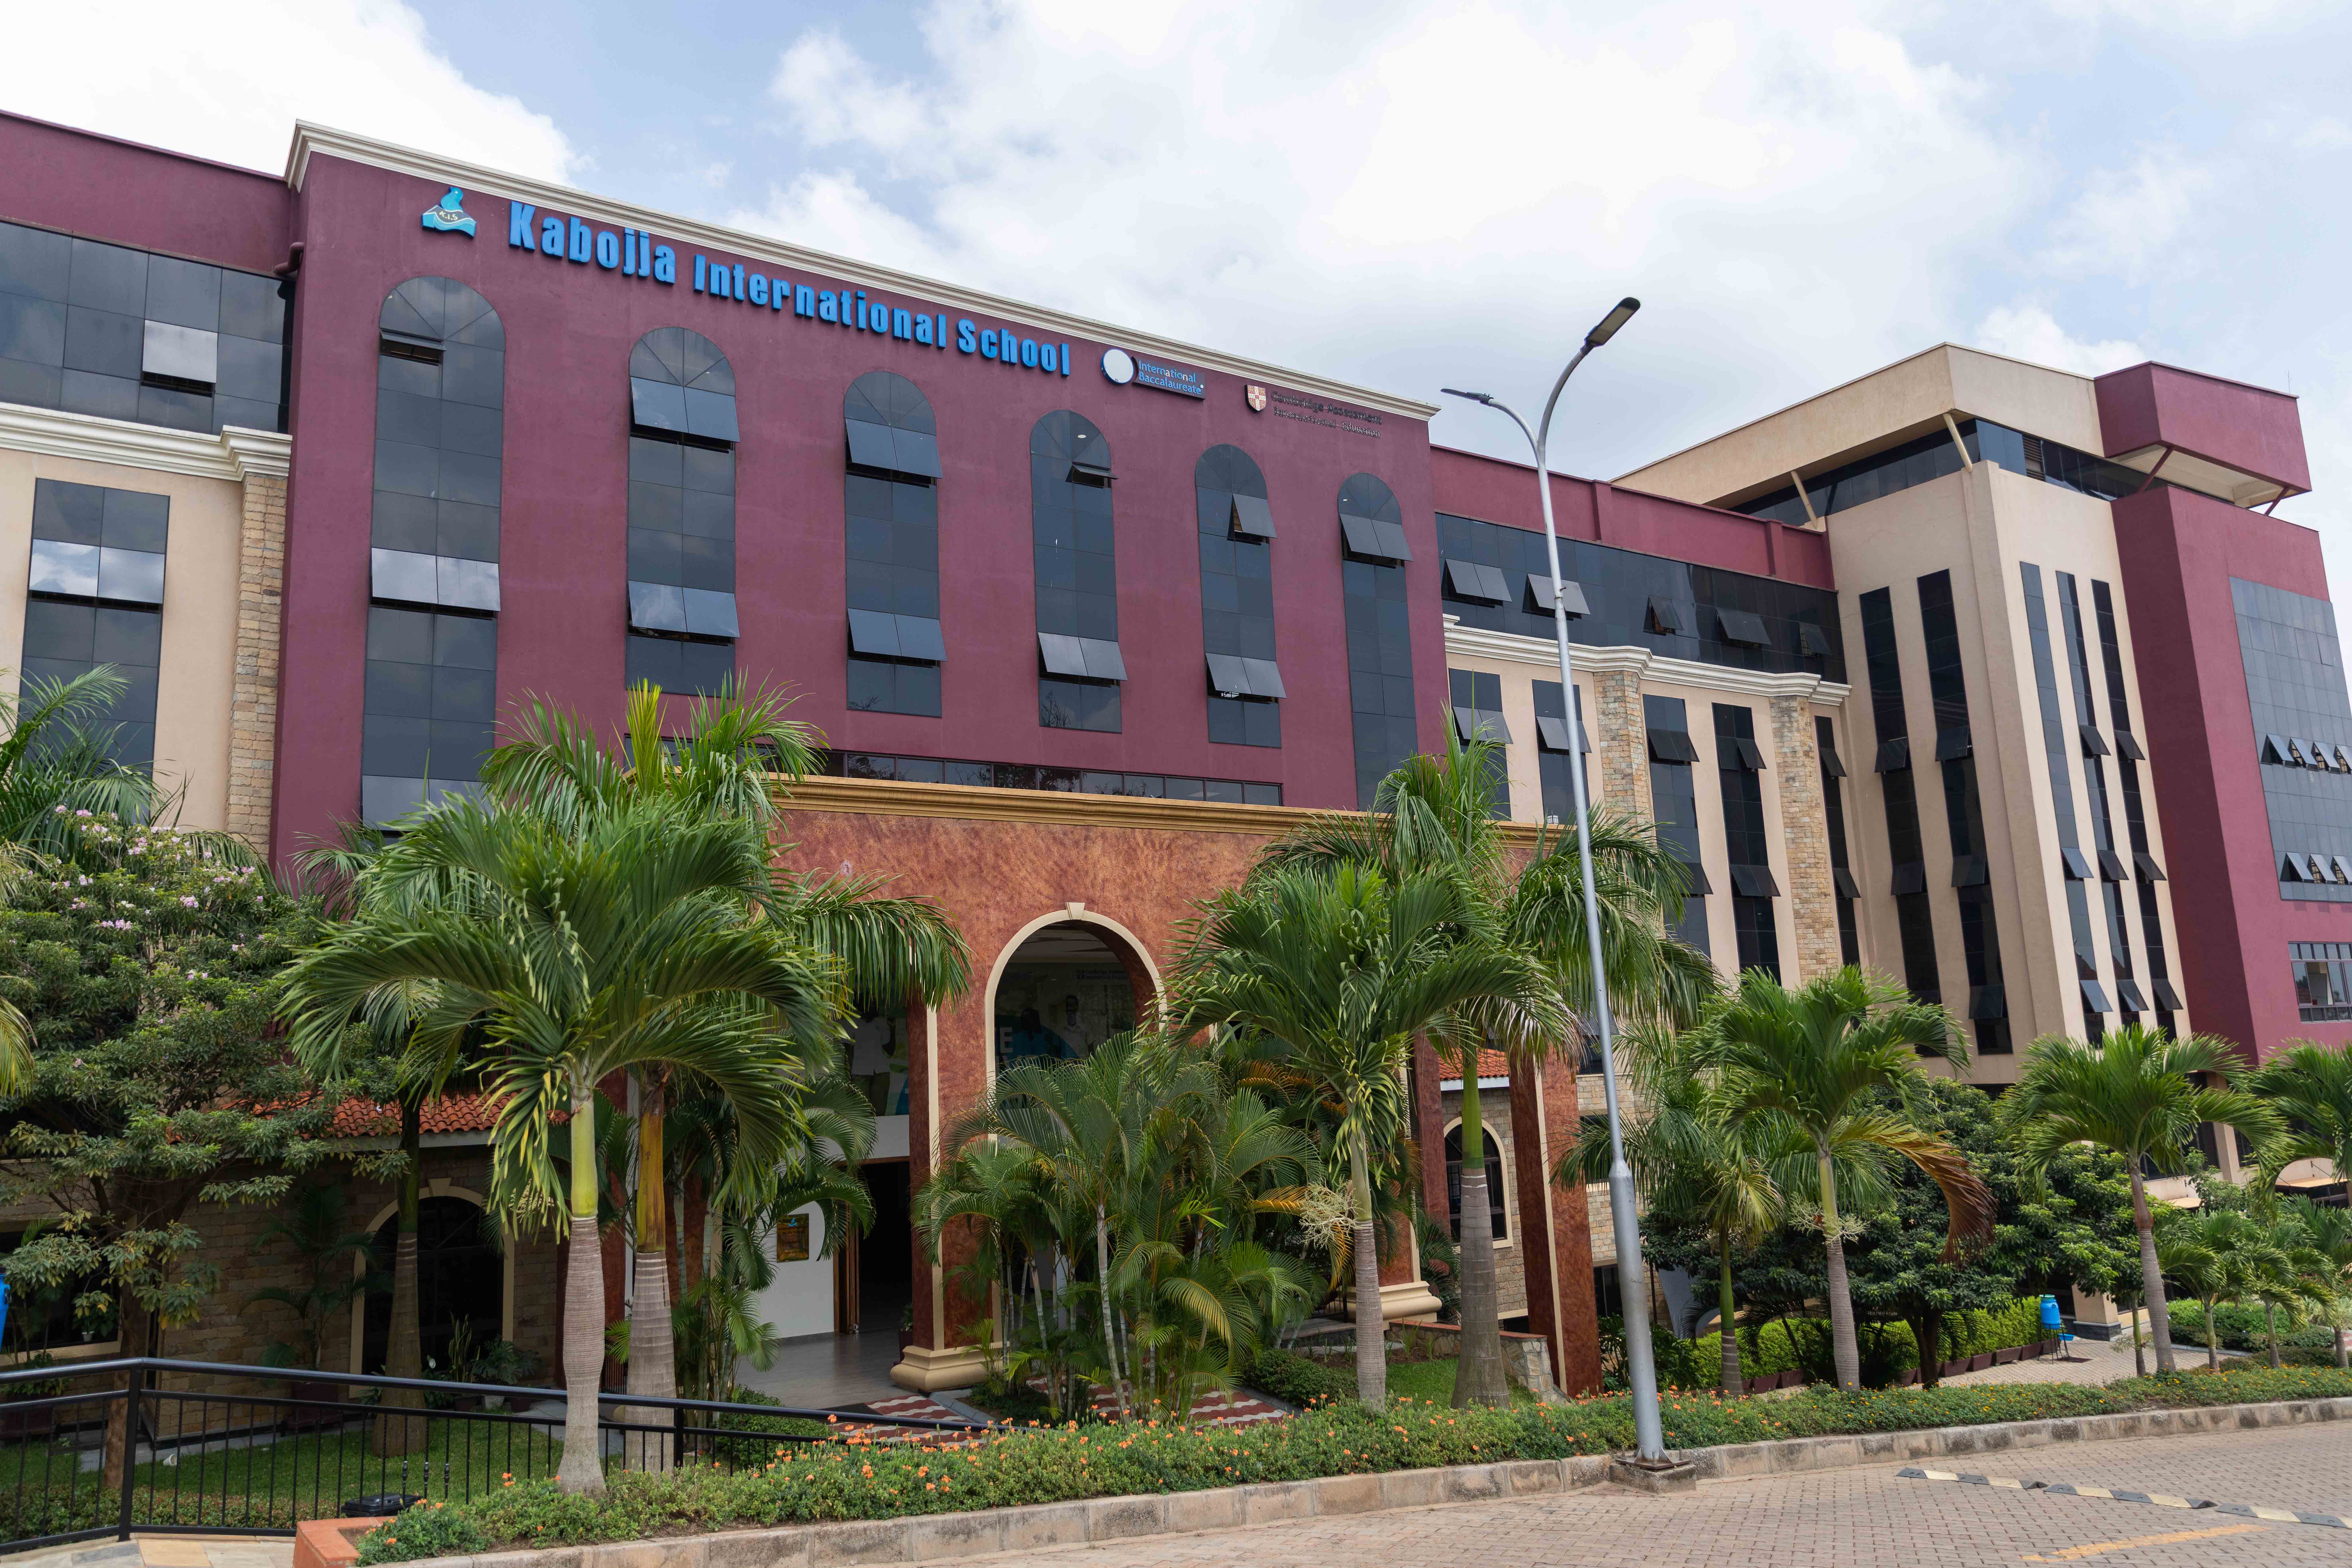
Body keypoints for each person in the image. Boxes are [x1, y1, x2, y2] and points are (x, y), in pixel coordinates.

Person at [1001, 1007, 1072, 1068]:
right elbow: (1010, 1062)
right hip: (1022, 1079)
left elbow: (1057, 1058)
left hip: (1045, 1077)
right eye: (1025, 1020)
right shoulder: (1016, 1039)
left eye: (1031, 1019)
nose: (1028, 1022)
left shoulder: (1048, 1037)